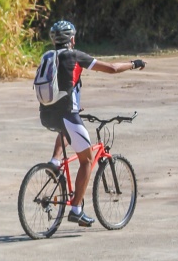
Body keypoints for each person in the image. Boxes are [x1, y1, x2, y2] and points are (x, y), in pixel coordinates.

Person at [39, 20, 146, 227]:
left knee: (67, 132)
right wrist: (134, 64)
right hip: (67, 114)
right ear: (72, 39)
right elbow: (113, 68)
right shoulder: (75, 55)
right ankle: (76, 210)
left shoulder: (47, 57)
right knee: (87, 160)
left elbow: (58, 83)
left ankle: (54, 161)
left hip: (46, 114)